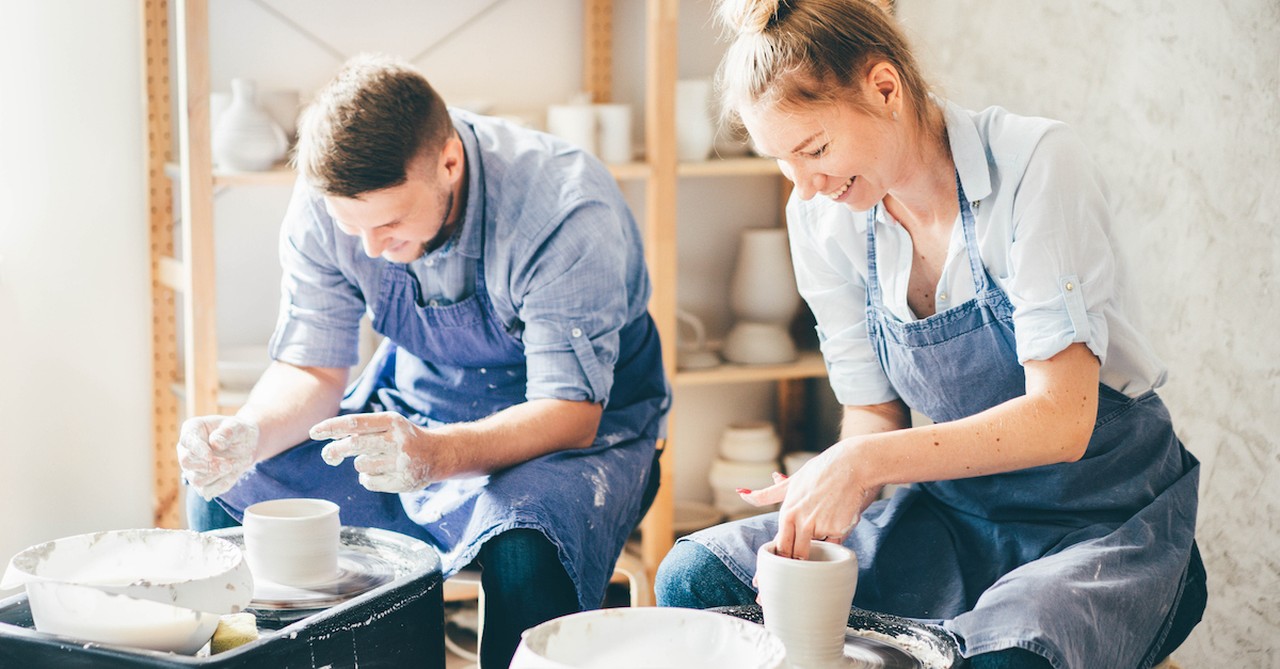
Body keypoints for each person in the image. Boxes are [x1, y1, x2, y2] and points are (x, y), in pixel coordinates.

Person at [655, 2, 1205, 668]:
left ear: (884, 88)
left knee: (1003, 658)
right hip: (956, 515)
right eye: (783, 162)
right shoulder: (823, 218)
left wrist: (862, 465)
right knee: (695, 577)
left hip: (1102, 521)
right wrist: (826, 501)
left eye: (816, 149)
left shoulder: (1034, 165)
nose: (806, 186)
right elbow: (873, 413)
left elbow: (1064, 419)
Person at [177, 54, 668, 669]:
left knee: (525, 540)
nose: (371, 249)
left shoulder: (563, 209)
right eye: (351, 229)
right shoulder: (329, 197)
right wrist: (246, 431)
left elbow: (570, 412)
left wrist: (436, 455)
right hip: (415, 402)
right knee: (224, 488)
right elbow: (314, 369)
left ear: (449, 163)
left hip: (576, 428)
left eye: (390, 224)